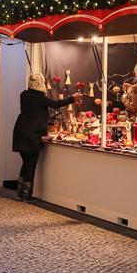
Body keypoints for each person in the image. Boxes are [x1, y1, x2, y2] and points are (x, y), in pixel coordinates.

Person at [12, 73, 80, 202]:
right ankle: (27, 195)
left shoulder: (24, 95)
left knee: (25, 162)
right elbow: (56, 104)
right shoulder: (39, 97)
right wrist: (73, 98)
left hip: (20, 131)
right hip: (32, 134)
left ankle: (19, 193)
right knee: (31, 164)